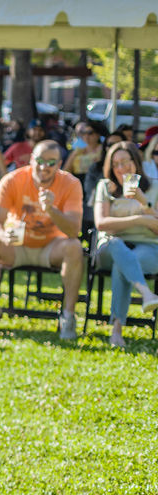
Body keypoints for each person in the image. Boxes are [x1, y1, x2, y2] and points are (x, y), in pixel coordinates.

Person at [0, 140, 84, 340]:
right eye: (39, 160)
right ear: (31, 160)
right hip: (16, 244)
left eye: (51, 162)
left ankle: (68, 316)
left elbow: (74, 231)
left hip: (51, 247)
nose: (44, 166)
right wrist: (3, 235)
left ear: (59, 164)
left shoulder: (71, 183)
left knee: (75, 247)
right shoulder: (12, 179)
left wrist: (51, 210)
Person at [92, 141, 158, 346]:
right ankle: (146, 293)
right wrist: (140, 220)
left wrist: (143, 201)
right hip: (109, 248)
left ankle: (117, 330)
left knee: (124, 263)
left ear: (136, 162)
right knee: (116, 245)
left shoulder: (155, 187)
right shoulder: (105, 187)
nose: (120, 168)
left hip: (147, 246)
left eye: (125, 162)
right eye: (115, 164)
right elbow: (101, 223)